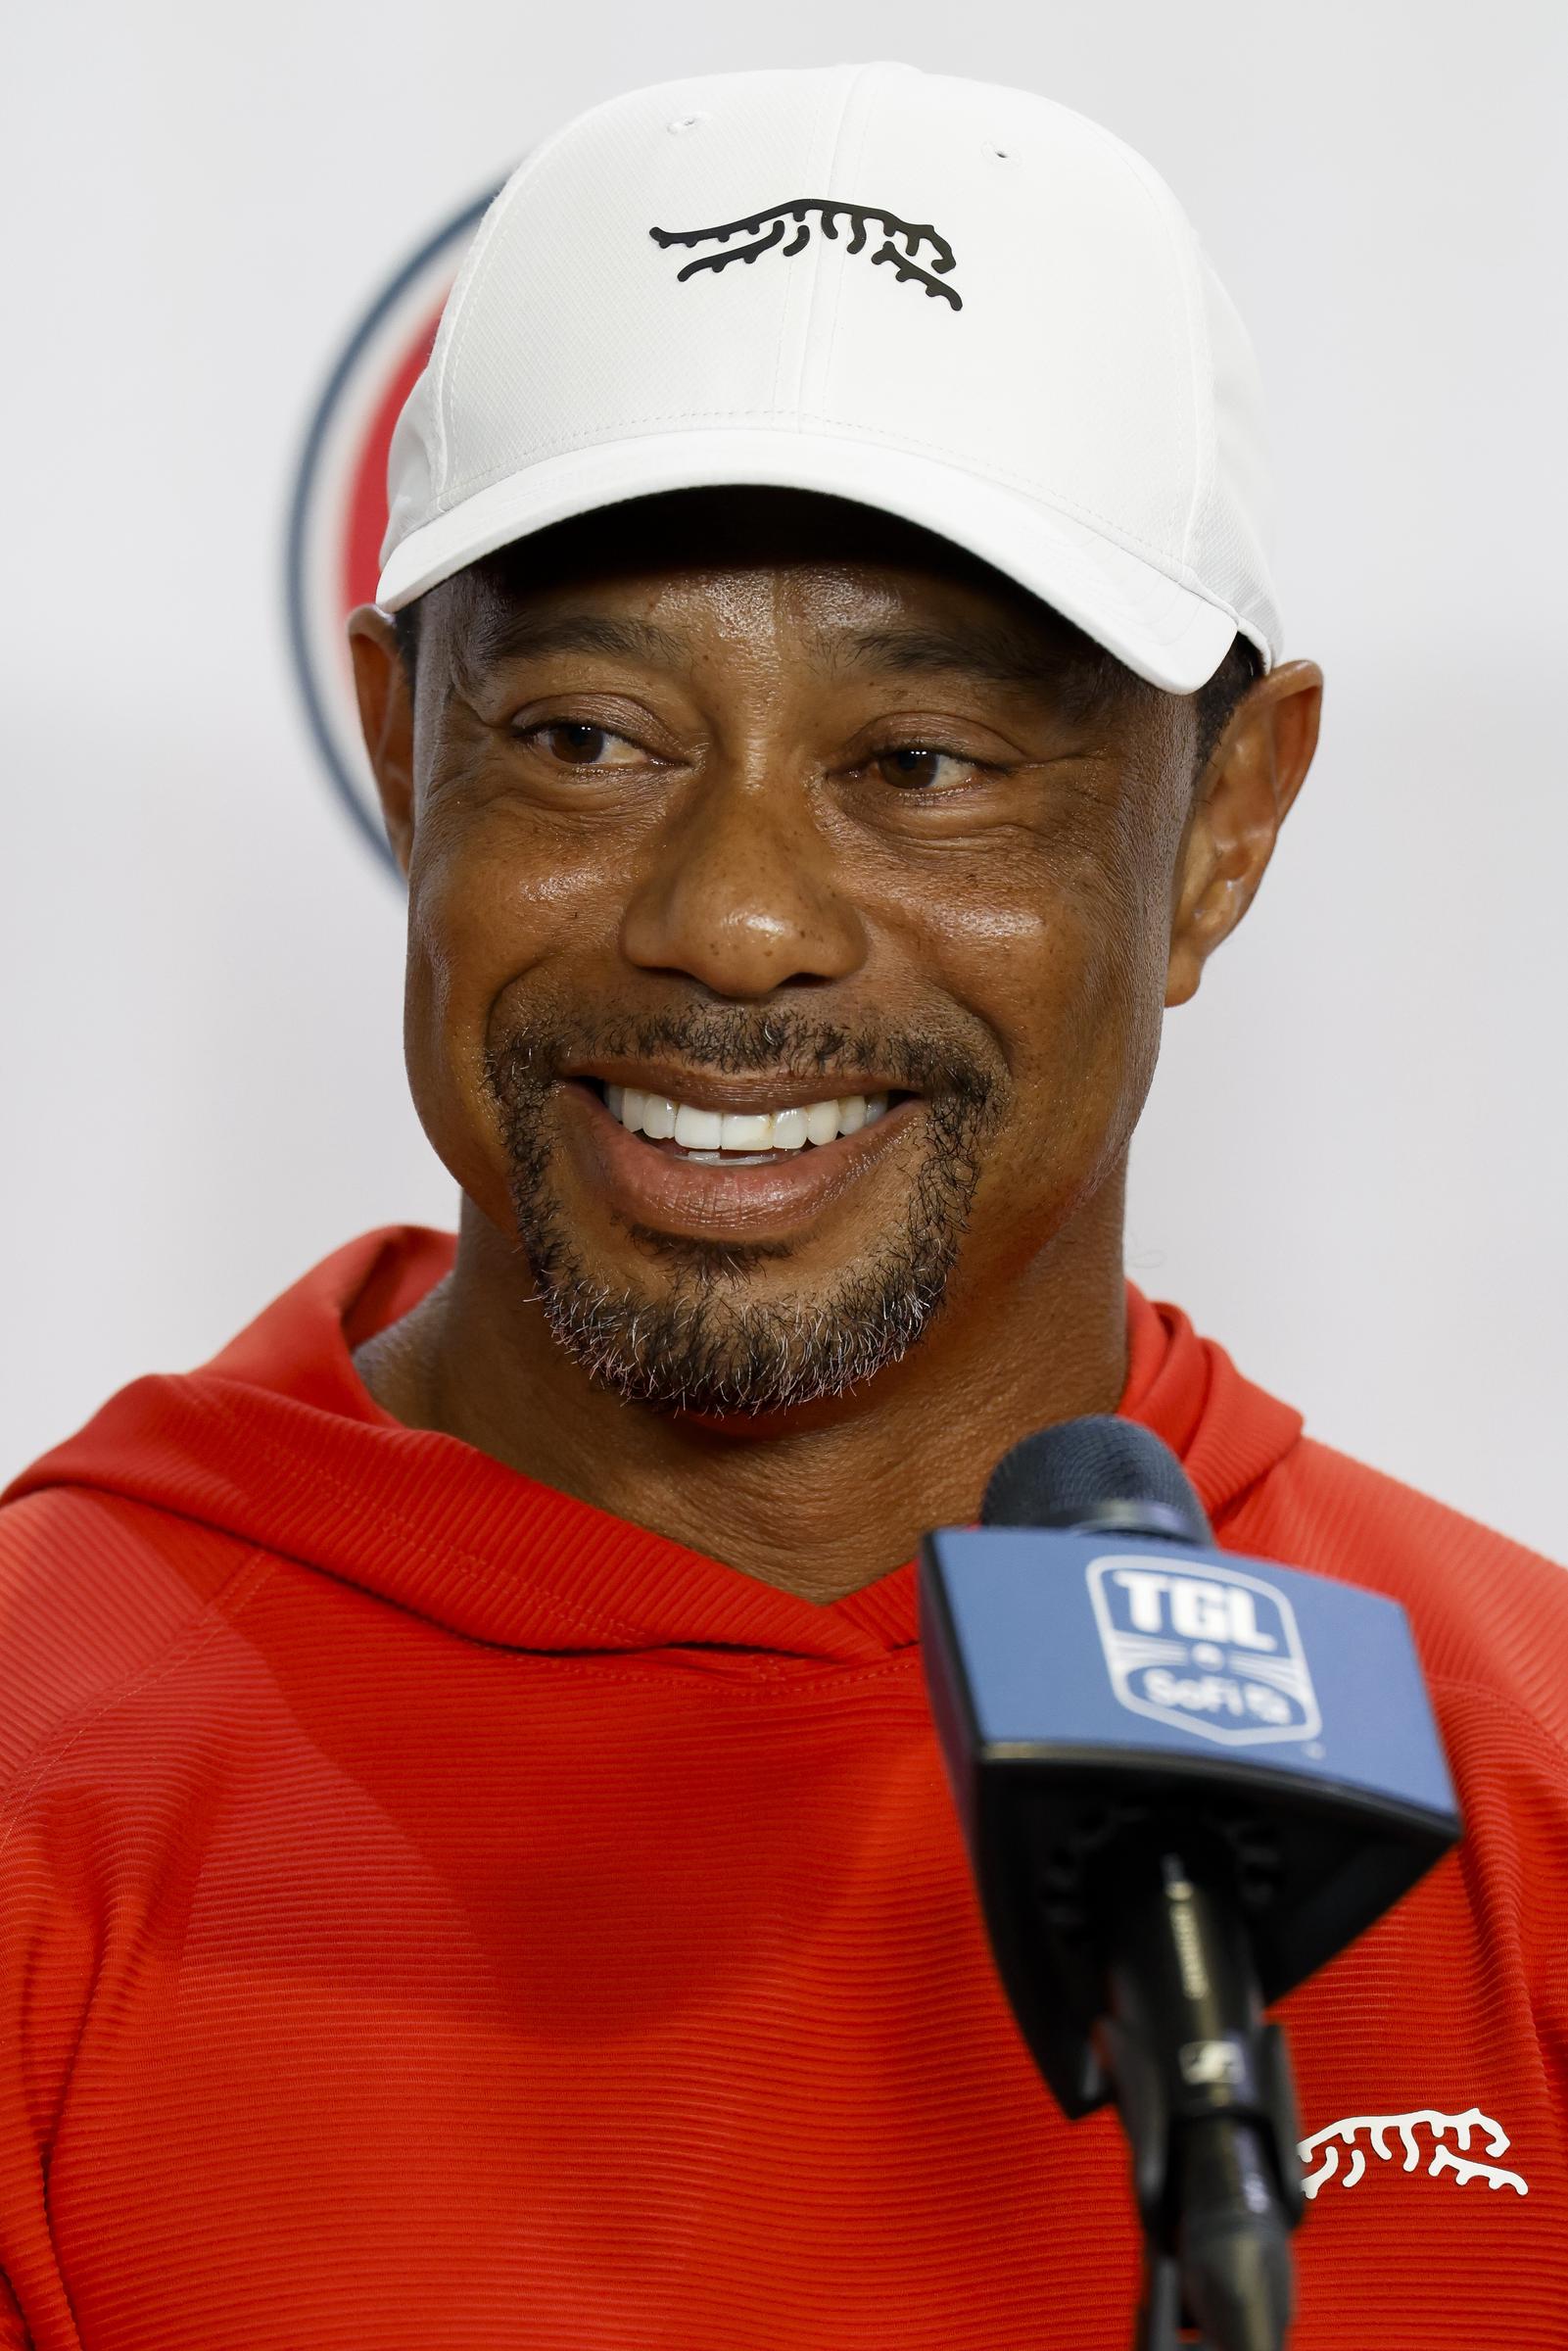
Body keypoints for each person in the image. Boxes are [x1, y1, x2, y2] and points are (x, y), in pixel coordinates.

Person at [0, 61, 1561, 2351]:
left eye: (922, 763)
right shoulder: (40, 1757)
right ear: (401, 748)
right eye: (588, 740)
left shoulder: (1518, 1770)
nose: (737, 922)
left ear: (1229, 820)